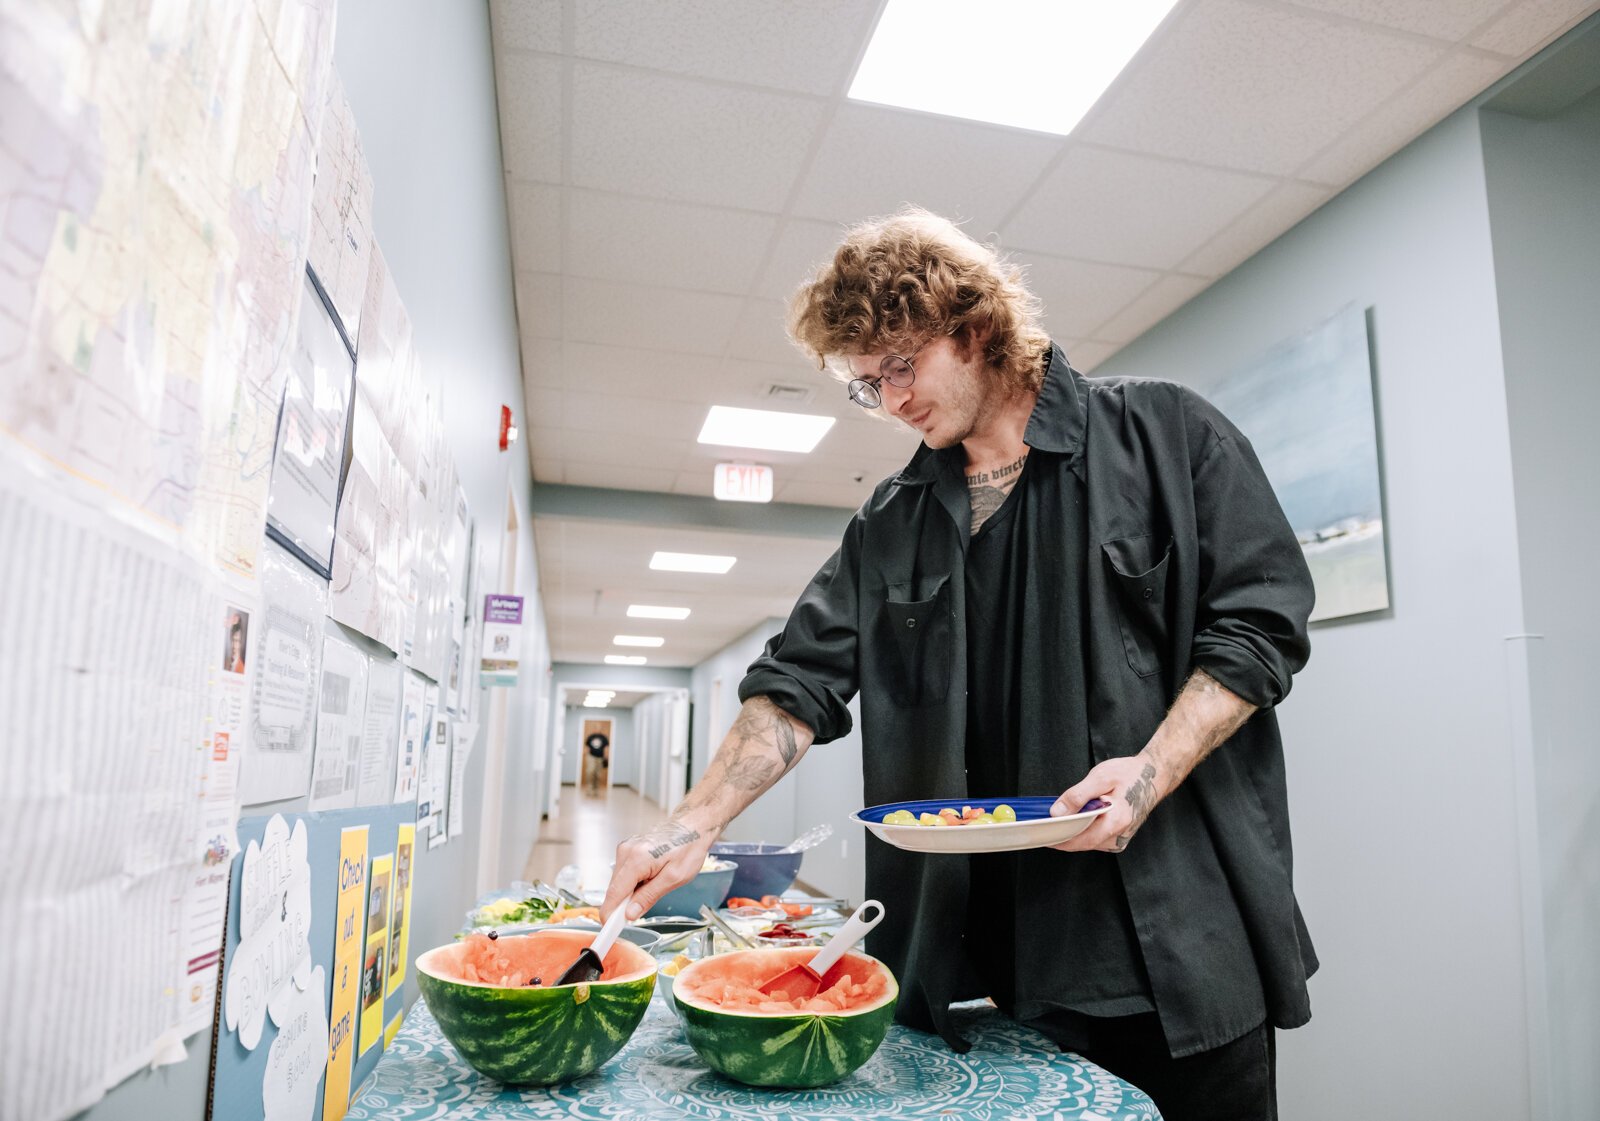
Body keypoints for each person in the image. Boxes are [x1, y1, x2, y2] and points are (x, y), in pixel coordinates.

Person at [602, 207, 1316, 1121]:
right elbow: (796, 682)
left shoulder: (1166, 435)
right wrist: (691, 825)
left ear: (976, 328)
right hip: (983, 964)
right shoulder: (890, 520)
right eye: (867, 386)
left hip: (1174, 946)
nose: (891, 401)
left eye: (900, 366)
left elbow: (1261, 624)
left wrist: (1150, 771)